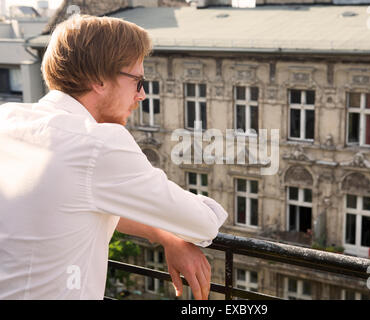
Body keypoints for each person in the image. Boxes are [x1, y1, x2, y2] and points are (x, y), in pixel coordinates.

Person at [0, 15, 228, 300]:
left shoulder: (8, 119)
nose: (142, 95)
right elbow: (204, 223)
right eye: (138, 81)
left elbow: (70, 205)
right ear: (99, 80)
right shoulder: (97, 143)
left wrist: (163, 234)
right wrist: (184, 220)